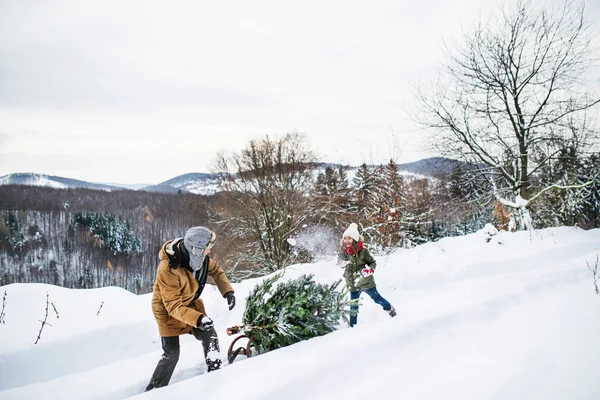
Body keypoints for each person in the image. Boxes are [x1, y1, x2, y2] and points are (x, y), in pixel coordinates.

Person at [146, 226, 236, 391]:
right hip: (167, 311)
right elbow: (173, 306)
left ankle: (215, 371)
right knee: (171, 355)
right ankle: (153, 390)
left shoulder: (201, 260)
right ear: (195, 249)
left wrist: (228, 291)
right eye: (206, 249)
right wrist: (199, 318)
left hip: (190, 306)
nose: (209, 252)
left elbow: (216, 271)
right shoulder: (168, 268)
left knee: (210, 335)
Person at [339, 223, 396, 327]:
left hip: (366, 282)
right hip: (352, 283)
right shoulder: (344, 252)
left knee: (377, 298)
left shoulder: (363, 251)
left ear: (355, 239)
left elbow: (372, 262)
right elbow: (340, 261)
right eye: (345, 238)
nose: (346, 241)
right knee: (353, 305)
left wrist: (369, 269)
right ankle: (353, 326)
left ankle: (390, 309)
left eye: (349, 238)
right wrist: (342, 263)